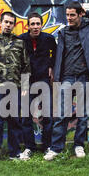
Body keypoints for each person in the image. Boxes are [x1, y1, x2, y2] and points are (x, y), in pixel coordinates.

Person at [44, 1, 89, 161]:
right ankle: (56, 148)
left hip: (84, 76)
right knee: (61, 114)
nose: (69, 18)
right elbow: (58, 55)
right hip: (66, 77)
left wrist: (87, 11)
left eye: (72, 15)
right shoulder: (63, 33)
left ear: (80, 14)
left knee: (82, 115)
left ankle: (79, 145)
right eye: (67, 15)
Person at [0, 11, 31, 164]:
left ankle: (14, 153)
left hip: (14, 87)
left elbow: (26, 66)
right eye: (6, 22)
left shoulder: (19, 43)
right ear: (0, 23)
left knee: (14, 121)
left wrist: (25, 86)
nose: (8, 25)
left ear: (14, 25)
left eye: (11, 23)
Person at [19, 12, 57, 160]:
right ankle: (29, 147)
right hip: (26, 81)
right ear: (27, 25)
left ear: (42, 25)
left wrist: (51, 67)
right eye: (32, 24)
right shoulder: (21, 39)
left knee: (47, 115)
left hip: (43, 80)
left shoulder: (48, 39)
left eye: (38, 24)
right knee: (26, 116)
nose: (35, 27)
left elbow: (56, 54)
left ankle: (47, 146)